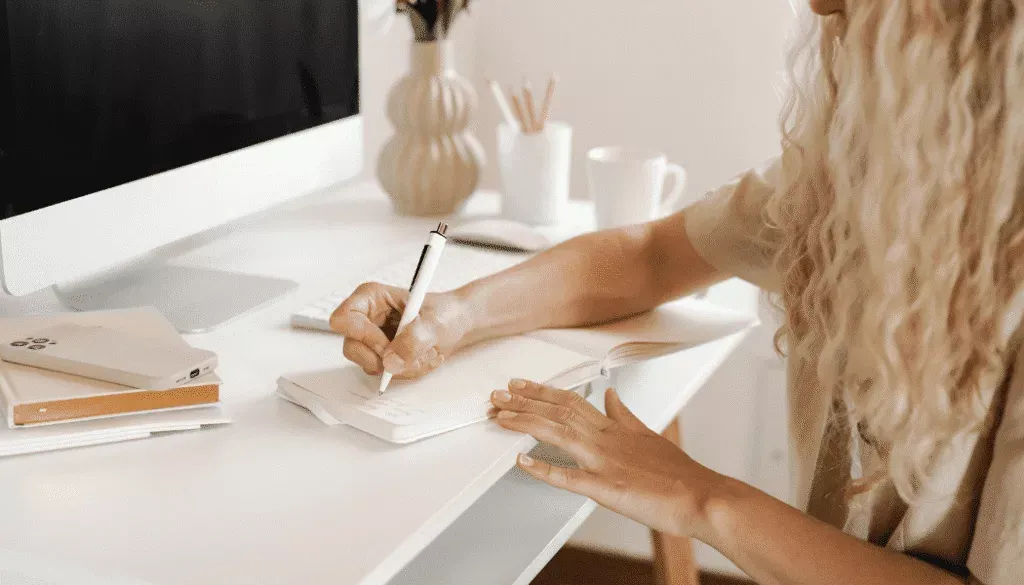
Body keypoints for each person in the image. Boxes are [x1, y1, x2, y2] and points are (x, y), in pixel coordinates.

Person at [331, 1, 1024, 583]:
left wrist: (699, 493)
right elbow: (653, 256)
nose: (816, 8)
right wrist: (454, 315)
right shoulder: (867, 167)